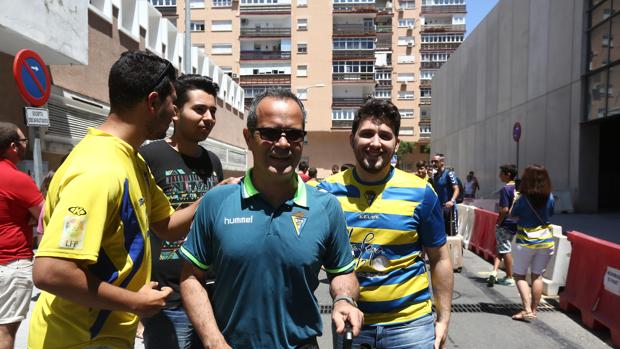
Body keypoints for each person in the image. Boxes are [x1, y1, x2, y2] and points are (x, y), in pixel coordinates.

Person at [29, 51, 203, 349]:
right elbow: (51, 272)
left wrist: (214, 196)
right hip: (77, 339)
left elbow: (166, 224)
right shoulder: (100, 171)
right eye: (173, 103)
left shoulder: (131, 160)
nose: (175, 113)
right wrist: (136, 301)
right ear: (152, 102)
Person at [178, 89, 363, 348]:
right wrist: (213, 340)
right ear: (248, 137)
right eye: (270, 133)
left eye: (294, 135)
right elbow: (190, 277)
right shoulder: (217, 202)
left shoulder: (326, 207)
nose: (284, 144)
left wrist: (344, 299)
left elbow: (342, 272)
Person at [319, 99, 453, 349]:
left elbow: (440, 257)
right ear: (352, 139)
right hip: (350, 324)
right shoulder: (324, 193)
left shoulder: (422, 192)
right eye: (367, 134)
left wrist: (444, 319)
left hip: (411, 327)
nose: (375, 143)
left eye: (385, 135)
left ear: (397, 144)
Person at [139, 74, 238, 349]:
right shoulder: (150, 156)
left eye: (213, 111)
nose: (209, 118)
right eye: (199, 109)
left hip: (210, 294)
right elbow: (151, 224)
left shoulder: (213, 160)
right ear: (174, 112)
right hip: (168, 297)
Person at [0, 122, 44, 349]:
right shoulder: (17, 179)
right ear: (13, 147)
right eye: (24, 141)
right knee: (5, 333)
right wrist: (27, 218)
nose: (26, 145)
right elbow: (45, 218)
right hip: (11, 264)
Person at [509, 164, 555, 321]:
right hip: (546, 241)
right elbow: (550, 213)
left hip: (526, 241)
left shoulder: (523, 199)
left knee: (519, 276)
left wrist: (515, 200)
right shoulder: (550, 197)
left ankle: (526, 309)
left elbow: (512, 215)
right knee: (537, 276)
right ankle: (534, 310)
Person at [487, 164, 518, 287]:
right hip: (516, 222)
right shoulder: (518, 187)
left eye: (501, 173)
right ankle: (495, 272)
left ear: (508, 174)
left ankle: (510, 277)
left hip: (506, 222)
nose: (499, 175)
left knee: (505, 249)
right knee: (503, 248)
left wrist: (498, 222)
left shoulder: (505, 189)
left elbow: (504, 209)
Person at [431, 153, 460, 236]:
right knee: (440, 234)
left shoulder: (449, 174)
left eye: (435, 161)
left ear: (442, 162)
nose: (433, 164)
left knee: (451, 234)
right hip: (439, 209)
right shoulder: (435, 176)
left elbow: (456, 189)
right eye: (432, 162)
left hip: (449, 209)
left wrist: (452, 201)